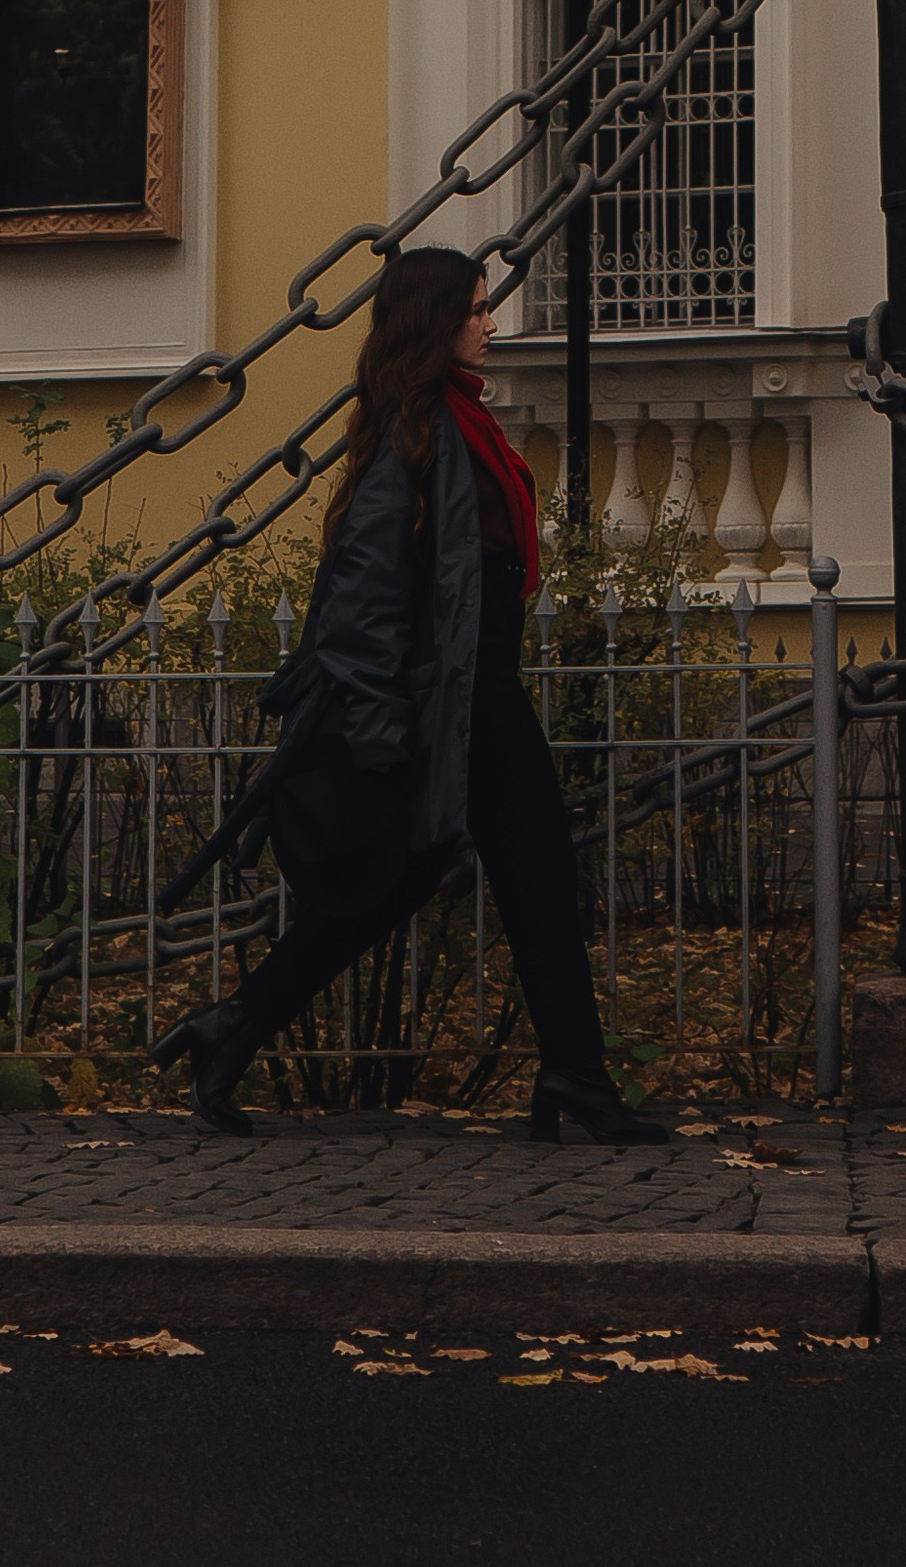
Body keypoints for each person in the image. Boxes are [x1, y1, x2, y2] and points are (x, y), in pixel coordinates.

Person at [151, 244, 667, 1144]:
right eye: (476, 310)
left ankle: (570, 1074)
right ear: (436, 323)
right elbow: (362, 601)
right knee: (479, 875)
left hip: (475, 683)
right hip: (448, 700)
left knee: (473, 878)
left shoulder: (455, 423)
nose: (491, 323)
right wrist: (386, 735)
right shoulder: (416, 436)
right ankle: (575, 1078)